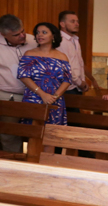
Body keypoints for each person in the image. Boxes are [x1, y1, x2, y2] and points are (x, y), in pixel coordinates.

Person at [18, 22, 71, 127]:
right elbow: (23, 76)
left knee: (52, 133)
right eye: (37, 32)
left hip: (55, 100)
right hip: (34, 98)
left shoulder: (62, 57)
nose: (40, 35)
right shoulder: (29, 54)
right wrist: (42, 94)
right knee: (32, 133)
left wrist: (54, 97)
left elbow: (67, 80)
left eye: (44, 32)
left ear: (53, 36)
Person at [0, 15, 38, 154]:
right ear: (3, 34)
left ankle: (34, 162)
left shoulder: (33, 40)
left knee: (36, 132)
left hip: (35, 96)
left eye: (23, 31)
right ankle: (13, 162)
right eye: (16, 35)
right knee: (9, 134)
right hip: (8, 96)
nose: (22, 36)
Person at [57, 11, 91, 95]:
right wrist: (79, 82)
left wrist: (82, 81)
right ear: (62, 24)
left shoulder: (75, 40)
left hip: (76, 86)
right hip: (66, 87)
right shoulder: (60, 41)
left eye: (77, 21)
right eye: (72, 21)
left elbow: (79, 63)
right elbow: (65, 67)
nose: (77, 24)